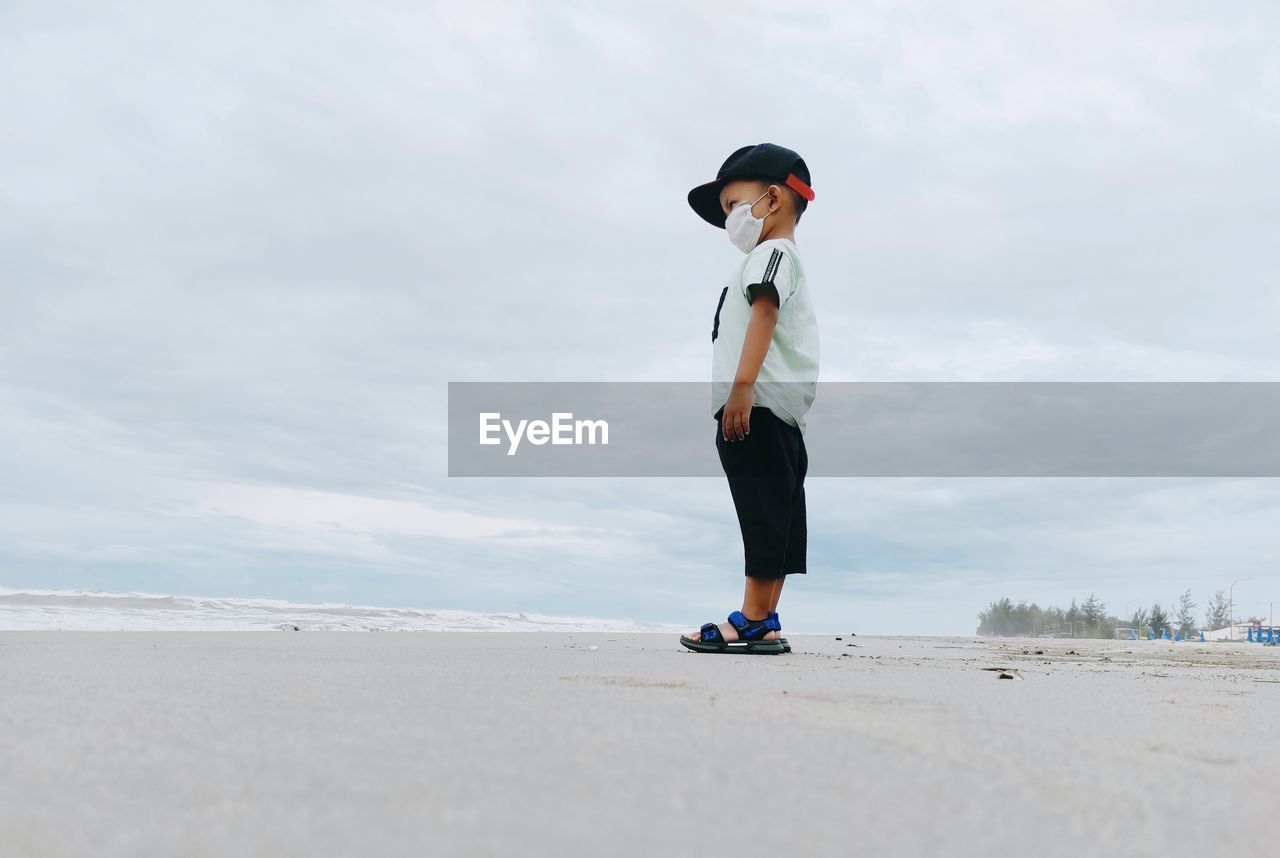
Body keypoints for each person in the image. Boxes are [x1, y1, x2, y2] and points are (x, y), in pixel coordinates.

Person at [679, 143, 819, 655]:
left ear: (774, 198)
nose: (731, 221)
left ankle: (753, 619)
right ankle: (764, 617)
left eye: (735, 205)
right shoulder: (783, 258)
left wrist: (741, 392)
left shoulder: (772, 254)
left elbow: (764, 314)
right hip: (782, 413)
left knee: (762, 511)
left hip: (755, 406)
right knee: (777, 515)